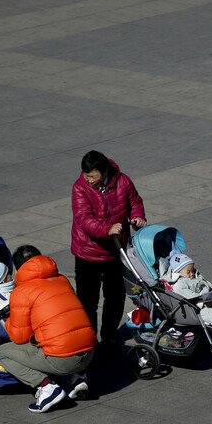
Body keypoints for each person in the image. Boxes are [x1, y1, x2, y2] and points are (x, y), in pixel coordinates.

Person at [0, 245, 96, 413]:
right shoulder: (62, 279)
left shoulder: (21, 291)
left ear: (19, 268)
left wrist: (7, 320)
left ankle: (47, 388)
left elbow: (19, 338)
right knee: (64, 333)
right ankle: (78, 376)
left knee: (3, 353)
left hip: (64, 360)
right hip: (89, 353)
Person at [71, 150, 147, 350]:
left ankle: (110, 336)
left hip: (116, 251)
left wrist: (138, 217)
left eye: (93, 176)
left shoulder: (123, 182)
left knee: (115, 297)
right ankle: (89, 340)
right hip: (88, 253)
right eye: (86, 175)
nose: (89, 180)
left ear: (105, 171)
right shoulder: (80, 188)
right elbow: (84, 218)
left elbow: (135, 202)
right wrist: (107, 229)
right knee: (88, 301)